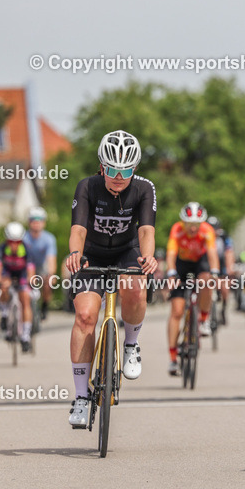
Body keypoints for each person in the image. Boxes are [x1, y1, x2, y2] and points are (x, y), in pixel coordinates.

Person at [64, 130, 158, 429]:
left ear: (135, 168)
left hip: (127, 252)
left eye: (127, 170)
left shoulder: (144, 189)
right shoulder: (87, 187)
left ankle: (131, 344)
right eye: (113, 169)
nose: (120, 176)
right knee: (85, 316)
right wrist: (75, 254)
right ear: (102, 166)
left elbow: (146, 231)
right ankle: (81, 397)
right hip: (91, 254)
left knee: (136, 288)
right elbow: (78, 228)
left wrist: (148, 258)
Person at [165, 202, 220, 375]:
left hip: (200, 262)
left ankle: (203, 320)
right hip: (182, 265)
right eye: (190, 224)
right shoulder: (177, 229)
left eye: (197, 224)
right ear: (183, 222)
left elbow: (212, 253)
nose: (193, 228)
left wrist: (215, 272)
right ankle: (173, 358)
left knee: (206, 281)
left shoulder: (207, 230)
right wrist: (171, 273)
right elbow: (171, 253)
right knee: (177, 311)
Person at [0, 221, 36, 353]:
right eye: (11, 241)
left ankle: (26, 336)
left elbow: (31, 271)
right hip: (7, 273)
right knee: (3, 287)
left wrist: (30, 283)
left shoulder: (27, 250)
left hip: (22, 274)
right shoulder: (1, 249)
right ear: (7, 240)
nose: (14, 244)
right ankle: (5, 315)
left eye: (17, 242)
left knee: (25, 299)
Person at [23, 207, 58, 319]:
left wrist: (51, 274)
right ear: (29, 222)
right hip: (27, 265)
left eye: (39, 220)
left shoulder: (49, 239)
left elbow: (51, 259)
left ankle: (44, 305)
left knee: (49, 281)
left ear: (44, 223)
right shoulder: (24, 238)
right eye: (33, 220)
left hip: (42, 265)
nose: (36, 223)